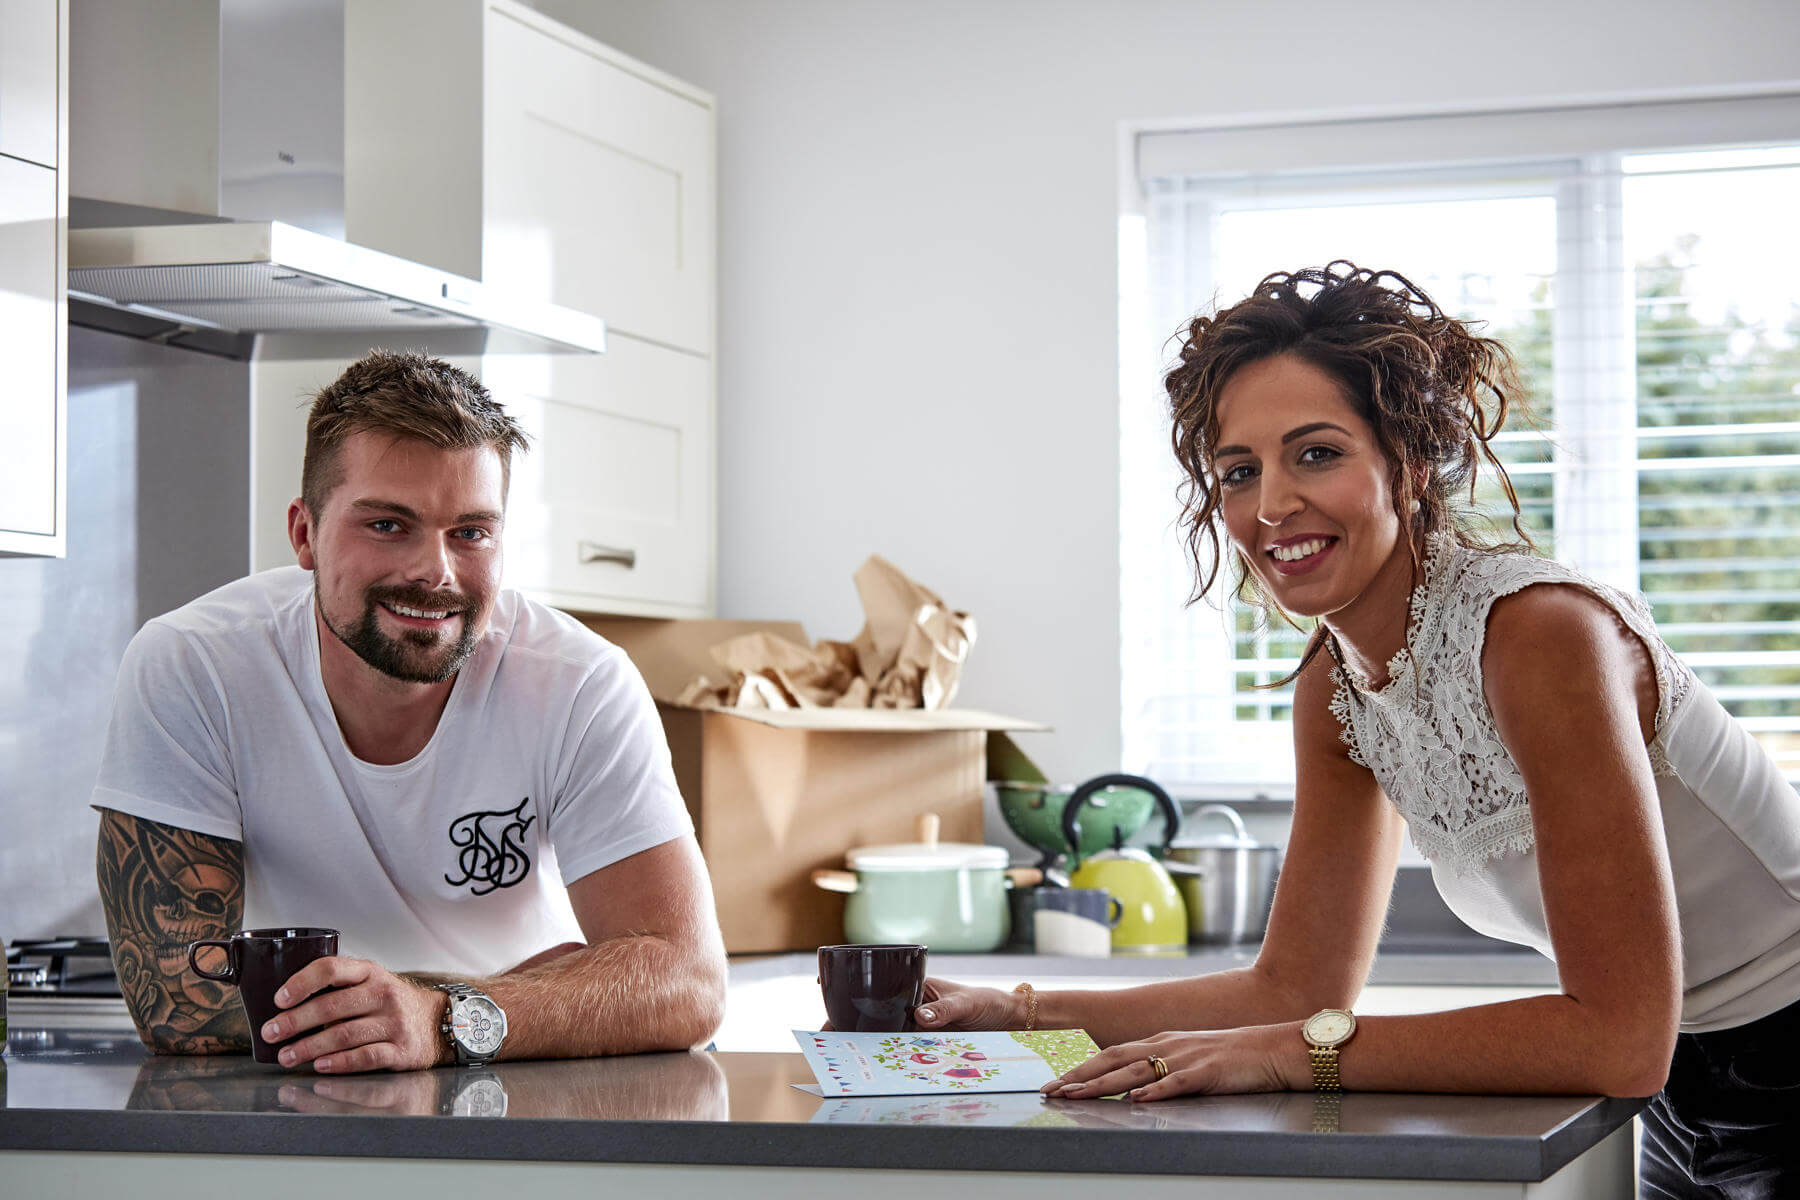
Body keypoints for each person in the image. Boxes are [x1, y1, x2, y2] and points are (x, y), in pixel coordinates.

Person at [915, 264, 1800, 1197]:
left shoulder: (1543, 636)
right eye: (1239, 471)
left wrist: (1289, 1056)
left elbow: (1618, 1037)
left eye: (1317, 453)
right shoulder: (1336, 689)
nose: (1270, 508)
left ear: (1409, 466)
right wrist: (1015, 1011)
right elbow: (1293, 993)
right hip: (1676, 1099)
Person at [92, 349, 727, 1073]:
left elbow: (690, 983)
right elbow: (175, 1004)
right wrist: (523, 992)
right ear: (304, 533)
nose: (436, 570)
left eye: (471, 532)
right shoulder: (194, 664)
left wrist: (440, 1018)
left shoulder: (581, 683)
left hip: (526, 1096)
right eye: (389, 525)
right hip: (297, 1106)